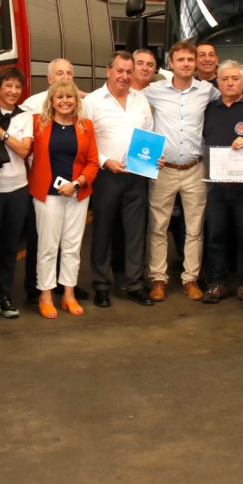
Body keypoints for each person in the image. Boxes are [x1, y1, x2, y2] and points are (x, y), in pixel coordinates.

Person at [144, 41, 217, 303]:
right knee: (158, 227)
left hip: (195, 169)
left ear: (195, 63)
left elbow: (231, 101)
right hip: (163, 170)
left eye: (190, 59)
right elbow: (129, 107)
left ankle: (190, 279)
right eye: (181, 59)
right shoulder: (153, 91)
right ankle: (159, 279)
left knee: (195, 228)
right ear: (171, 63)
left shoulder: (207, 90)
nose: (186, 63)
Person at [83, 51, 155, 307]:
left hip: (137, 174)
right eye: (120, 71)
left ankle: (134, 284)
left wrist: (153, 157)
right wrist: (105, 161)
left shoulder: (140, 100)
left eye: (128, 71)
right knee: (101, 231)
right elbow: (85, 142)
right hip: (106, 176)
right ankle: (101, 285)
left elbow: (149, 132)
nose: (125, 76)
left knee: (136, 233)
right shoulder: (92, 102)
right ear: (108, 71)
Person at [25, 80, 100, 317]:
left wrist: (77, 184)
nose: (65, 101)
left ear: (77, 101)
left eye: (70, 97)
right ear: (52, 101)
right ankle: (45, 295)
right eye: (60, 97)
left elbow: (93, 162)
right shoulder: (38, 124)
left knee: (72, 247)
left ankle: (68, 294)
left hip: (77, 194)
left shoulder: (86, 126)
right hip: (47, 195)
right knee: (47, 248)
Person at [200, 60, 243, 305]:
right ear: (218, 81)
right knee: (215, 235)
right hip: (215, 186)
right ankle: (217, 283)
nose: (230, 83)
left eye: (235, 78)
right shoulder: (208, 109)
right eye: (225, 79)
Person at [0, 67, 33, 320]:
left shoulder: (25, 116)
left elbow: (23, 151)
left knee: (10, 247)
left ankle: (5, 295)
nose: (13, 91)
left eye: (17, 87)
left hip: (18, 190)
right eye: (7, 86)